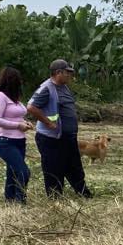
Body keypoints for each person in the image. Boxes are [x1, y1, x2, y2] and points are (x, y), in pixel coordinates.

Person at [26, 59, 92, 198]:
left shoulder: (64, 87)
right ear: (58, 73)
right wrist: (48, 123)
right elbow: (31, 107)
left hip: (68, 137)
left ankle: (83, 193)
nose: (70, 75)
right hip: (51, 138)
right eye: (67, 72)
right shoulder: (47, 88)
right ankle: (55, 197)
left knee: (74, 166)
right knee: (53, 168)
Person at [0, 66, 33, 204]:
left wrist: (25, 123)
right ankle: (20, 201)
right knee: (23, 171)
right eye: (18, 80)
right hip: (5, 141)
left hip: (19, 141)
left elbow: (15, 117)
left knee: (13, 172)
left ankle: (10, 200)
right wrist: (18, 125)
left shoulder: (15, 100)